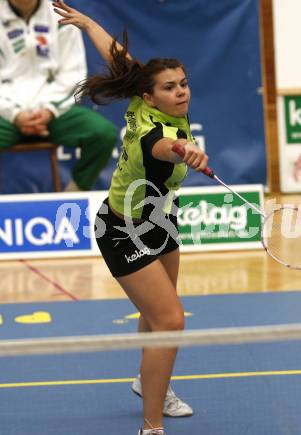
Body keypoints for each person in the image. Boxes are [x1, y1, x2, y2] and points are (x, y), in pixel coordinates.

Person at [53, 1, 209, 434]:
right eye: (170, 87)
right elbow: (164, 148)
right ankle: (151, 427)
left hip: (160, 221)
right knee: (171, 320)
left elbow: (118, 59)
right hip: (123, 230)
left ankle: (147, 381)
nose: (180, 92)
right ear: (149, 97)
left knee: (156, 314)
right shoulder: (152, 132)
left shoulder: (151, 101)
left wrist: (87, 23)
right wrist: (187, 151)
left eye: (183, 84)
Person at [0, 0, 117, 192]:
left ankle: (74, 193)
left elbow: (74, 73)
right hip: (6, 116)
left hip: (54, 113)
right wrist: (14, 115)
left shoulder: (60, 15)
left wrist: (50, 110)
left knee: (103, 134)